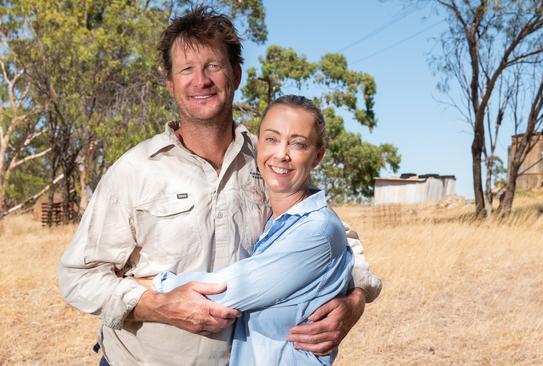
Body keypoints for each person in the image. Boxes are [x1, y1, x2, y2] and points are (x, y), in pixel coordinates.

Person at [58, 6, 381, 366]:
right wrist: (156, 305)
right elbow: (78, 277)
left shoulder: (270, 160)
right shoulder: (134, 171)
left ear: (236, 74)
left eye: (213, 66)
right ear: (170, 82)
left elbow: (335, 238)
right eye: (186, 69)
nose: (201, 81)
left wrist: (355, 302)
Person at [152, 95, 353, 365]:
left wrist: (147, 283)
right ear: (258, 144)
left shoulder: (316, 231)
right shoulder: (275, 218)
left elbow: (222, 291)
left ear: (317, 156)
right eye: (272, 139)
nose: (282, 153)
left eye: (298, 143)